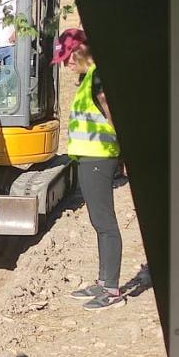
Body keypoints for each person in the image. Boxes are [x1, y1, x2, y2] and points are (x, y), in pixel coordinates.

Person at [54, 28, 125, 311]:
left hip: (99, 158)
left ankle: (112, 291)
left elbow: (115, 117)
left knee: (105, 224)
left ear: (83, 49)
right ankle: (103, 280)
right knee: (99, 222)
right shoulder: (87, 79)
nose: (66, 64)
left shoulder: (98, 78)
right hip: (88, 157)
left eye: (69, 57)